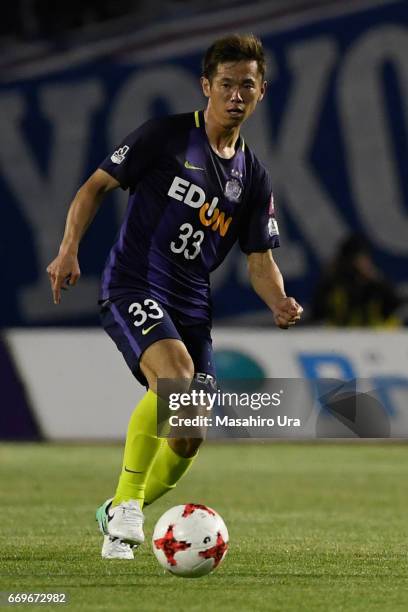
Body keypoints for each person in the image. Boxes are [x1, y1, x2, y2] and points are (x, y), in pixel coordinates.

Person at [47, 33, 303, 560]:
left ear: (262, 93)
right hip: (135, 282)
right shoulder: (164, 137)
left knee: (187, 434)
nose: (236, 95)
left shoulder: (252, 178)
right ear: (206, 86)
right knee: (176, 379)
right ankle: (126, 518)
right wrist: (69, 248)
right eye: (226, 84)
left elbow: (259, 260)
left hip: (191, 304)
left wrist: (278, 299)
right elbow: (94, 186)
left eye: (246, 86)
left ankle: (117, 503)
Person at [311, 233, 401, 327]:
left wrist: (379, 281)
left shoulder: (377, 286)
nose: (364, 264)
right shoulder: (331, 285)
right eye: (358, 259)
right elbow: (318, 317)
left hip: (374, 337)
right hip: (338, 337)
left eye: (365, 258)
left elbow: (396, 309)